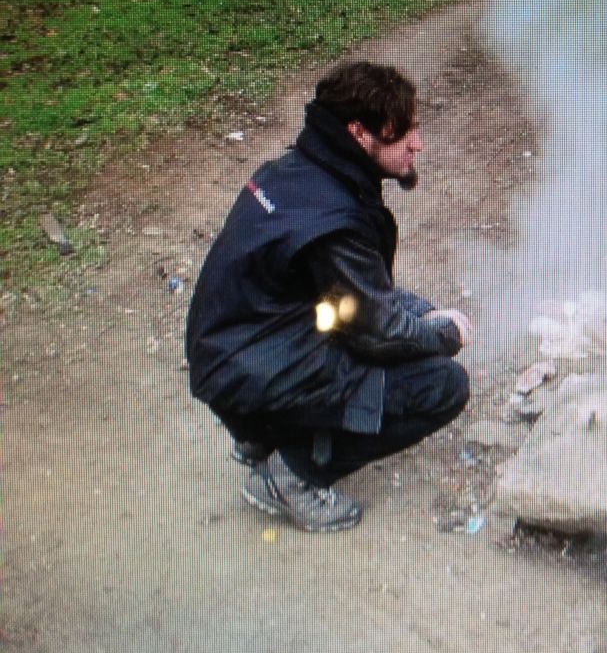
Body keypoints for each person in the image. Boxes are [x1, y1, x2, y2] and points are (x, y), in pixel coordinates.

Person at [185, 61, 473, 532]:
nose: (417, 143)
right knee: (442, 385)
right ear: (360, 133)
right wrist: (443, 334)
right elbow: (375, 333)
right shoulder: (335, 219)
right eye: (403, 133)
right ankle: (292, 475)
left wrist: (420, 310)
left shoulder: (296, 172)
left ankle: (258, 435)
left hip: (229, 350)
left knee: (361, 332)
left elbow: (347, 294)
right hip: (248, 367)